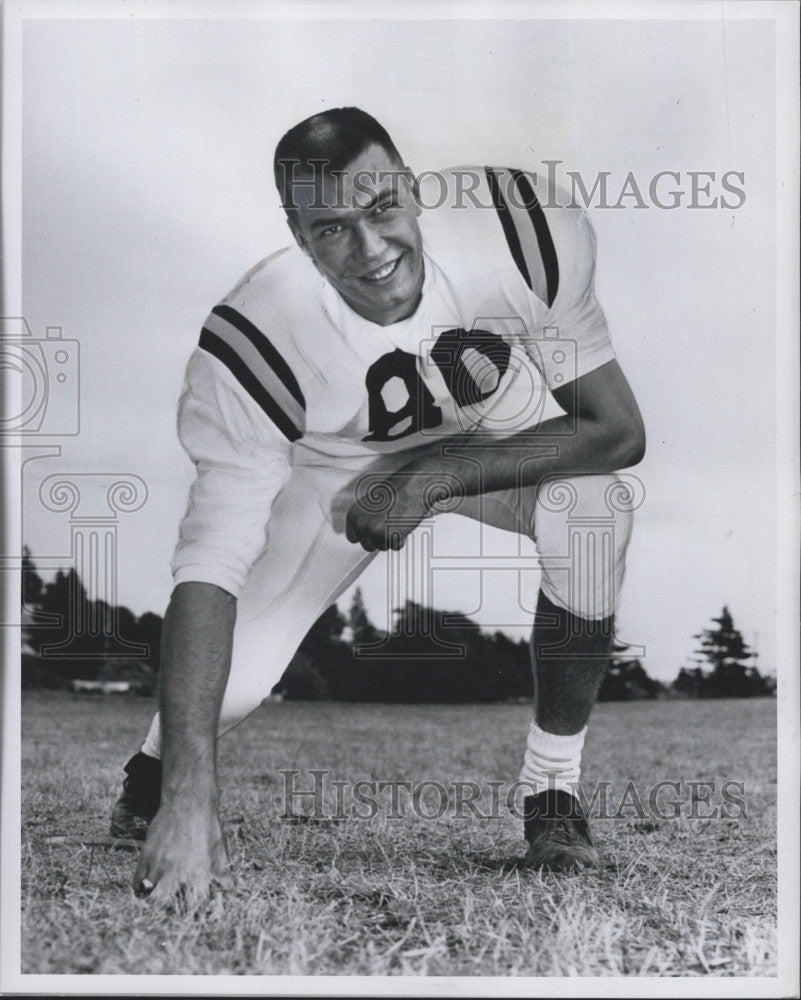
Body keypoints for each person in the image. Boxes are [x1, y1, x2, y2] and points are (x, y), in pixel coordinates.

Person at [110, 108, 645, 902]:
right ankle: (151, 780)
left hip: (487, 442)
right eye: (329, 230)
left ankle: (553, 794)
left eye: (381, 208)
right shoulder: (254, 337)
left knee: (593, 512)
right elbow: (208, 565)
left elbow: (614, 431)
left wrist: (434, 477)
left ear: (411, 187)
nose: (369, 250)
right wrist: (195, 799)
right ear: (296, 234)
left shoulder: (522, 229)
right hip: (338, 475)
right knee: (241, 684)